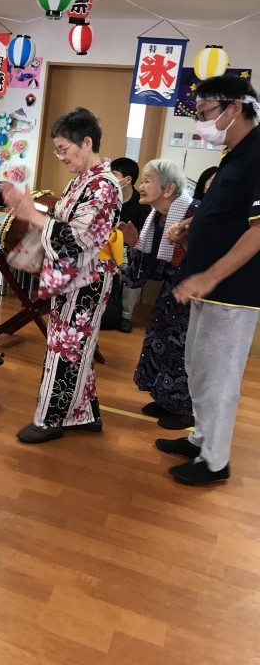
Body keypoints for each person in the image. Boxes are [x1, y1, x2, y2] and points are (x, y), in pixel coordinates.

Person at [157, 76, 260, 486]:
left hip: (232, 291)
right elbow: (228, 215)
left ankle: (215, 462)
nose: (201, 123)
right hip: (209, 285)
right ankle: (201, 440)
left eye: (205, 113)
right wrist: (190, 229)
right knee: (197, 367)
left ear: (234, 108)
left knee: (218, 375)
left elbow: (258, 230)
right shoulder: (235, 155)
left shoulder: (258, 152)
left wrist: (211, 276)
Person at [2, 107, 121, 444]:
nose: (61, 157)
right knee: (73, 346)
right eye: (58, 150)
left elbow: (78, 238)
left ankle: (50, 419)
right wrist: (29, 211)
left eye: (64, 149)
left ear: (87, 142)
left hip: (87, 279)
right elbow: (59, 221)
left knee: (66, 348)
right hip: (74, 276)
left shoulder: (104, 186)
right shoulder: (82, 182)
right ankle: (84, 415)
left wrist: (33, 215)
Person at [120, 160, 197, 430]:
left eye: (147, 180)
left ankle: (186, 409)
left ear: (169, 189)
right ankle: (166, 400)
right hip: (171, 292)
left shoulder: (193, 213)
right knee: (159, 340)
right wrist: (135, 244)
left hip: (196, 294)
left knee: (183, 350)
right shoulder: (156, 217)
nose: (141, 186)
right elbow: (151, 270)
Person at [110, 157, 151, 332]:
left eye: (114, 175)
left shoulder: (142, 204)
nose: (109, 179)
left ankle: (126, 315)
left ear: (127, 180)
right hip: (106, 246)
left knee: (136, 266)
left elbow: (143, 239)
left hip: (129, 249)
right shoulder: (107, 199)